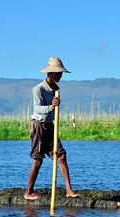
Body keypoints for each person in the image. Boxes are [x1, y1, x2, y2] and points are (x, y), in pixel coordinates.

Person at [24, 57, 79, 200]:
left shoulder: (56, 89)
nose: (60, 76)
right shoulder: (38, 89)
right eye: (58, 73)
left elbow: (53, 109)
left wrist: (54, 106)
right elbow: (37, 109)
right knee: (38, 160)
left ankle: (69, 190)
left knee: (61, 155)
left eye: (61, 73)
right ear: (51, 73)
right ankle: (28, 192)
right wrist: (52, 107)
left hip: (50, 125)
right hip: (39, 125)